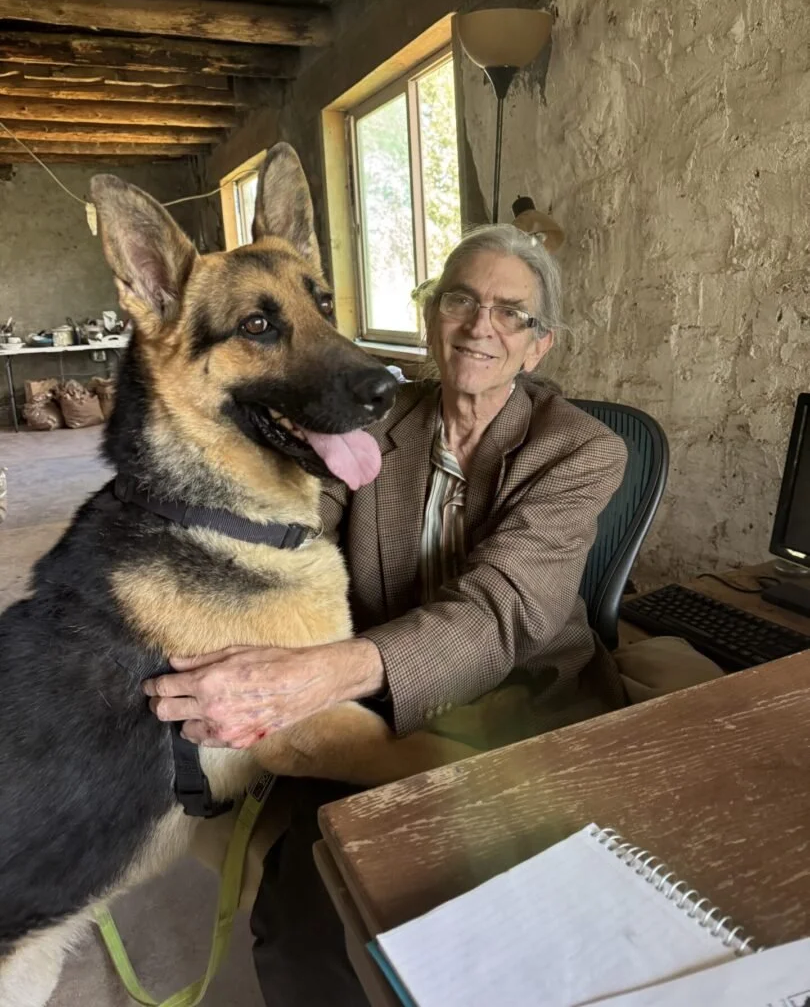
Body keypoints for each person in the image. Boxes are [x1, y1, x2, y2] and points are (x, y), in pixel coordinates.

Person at [143, 224, 630, 1005]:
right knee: (308, 903)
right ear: (434, 315)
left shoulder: (581, 451)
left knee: (501, 909)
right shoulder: (371, 408)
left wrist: (319, 675)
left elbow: (501, 611)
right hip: (375, 692)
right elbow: (293, 530)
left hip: (520, 696)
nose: (481, 326)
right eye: (462, 300)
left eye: (512, 314)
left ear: (538, 348)